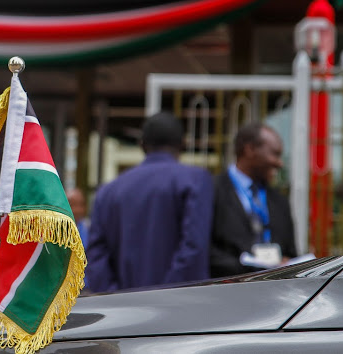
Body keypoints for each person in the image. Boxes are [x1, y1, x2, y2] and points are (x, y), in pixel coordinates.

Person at [86, 112, 214, 292]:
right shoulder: (195, 180)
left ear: (142, 145)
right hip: (179, 306)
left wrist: (114, 296)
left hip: (122, 309)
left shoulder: (108, 191)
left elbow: (96, 256)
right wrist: (166, 296)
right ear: (183, 143)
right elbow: (194, 248)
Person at [210, 122, 297, 277]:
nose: (279, 163)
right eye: (274, 154)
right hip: (227, 290)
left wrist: (286, 264)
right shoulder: (212, 191)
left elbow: (291, 252)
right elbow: (205, 250)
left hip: (274, 291)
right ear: (250, 150)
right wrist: (249, 267)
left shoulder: (280, 202)